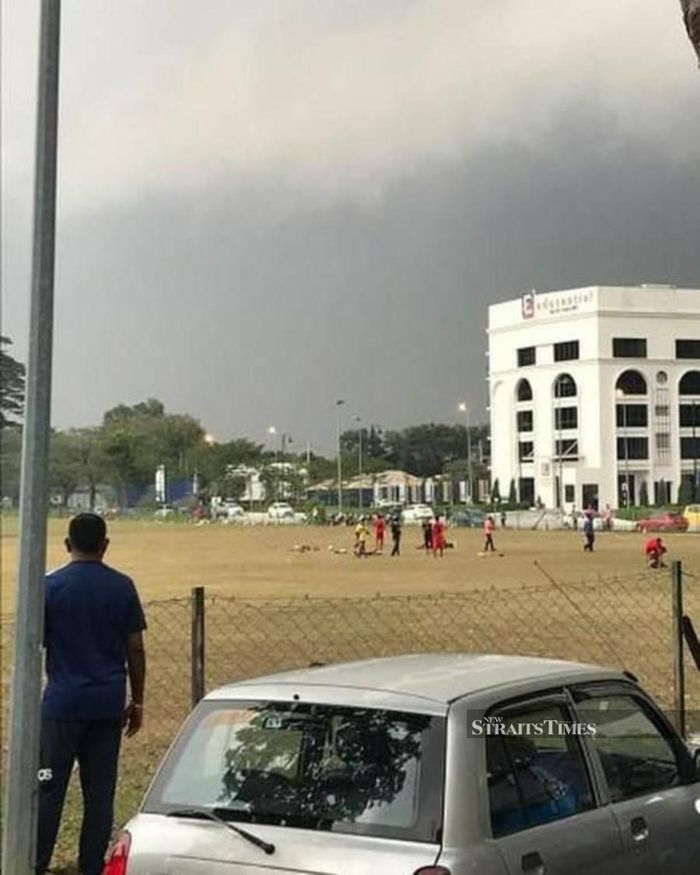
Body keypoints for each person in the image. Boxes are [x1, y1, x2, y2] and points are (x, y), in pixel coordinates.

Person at [37, 513, 147, 875]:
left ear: (67, 545)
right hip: (106, 705)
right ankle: (90, 866)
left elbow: (34, 642)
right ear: (105, 545)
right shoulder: (122, 586)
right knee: (99, 795)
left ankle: (35, 862)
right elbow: (135, 648)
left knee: (49, 789)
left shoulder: (50, 587)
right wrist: (138, 700)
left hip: (62, 706)